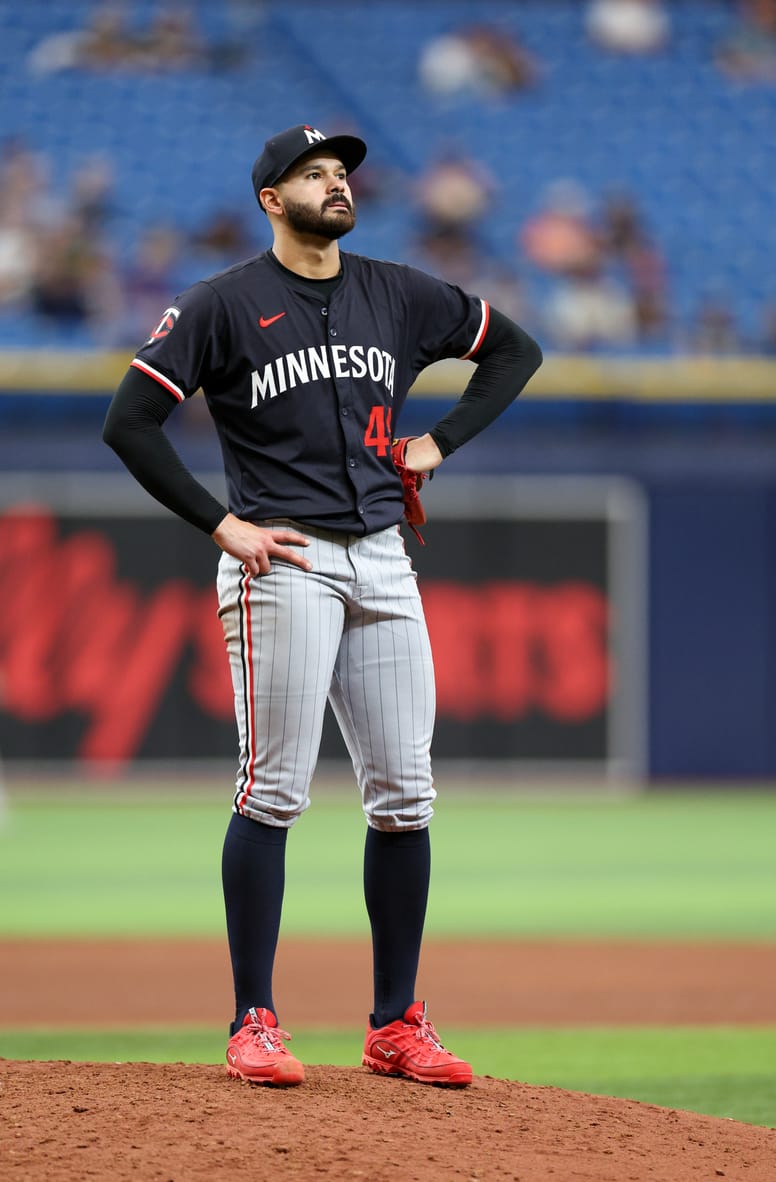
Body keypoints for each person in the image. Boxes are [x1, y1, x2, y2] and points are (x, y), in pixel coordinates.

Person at [103, 122, 542, 1089]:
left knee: (407, 796)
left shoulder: (397, 291)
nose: (336, 183)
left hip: (384, 554)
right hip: (284, 557)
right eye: (314, 173)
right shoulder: (223, 305)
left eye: (342, 170)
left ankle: (395, 1025)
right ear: (272, 198)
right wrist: (222, 527)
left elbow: (514, 350)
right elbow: (128, 422)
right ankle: (253, 1019)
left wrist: (442, 442)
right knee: (274, 789)